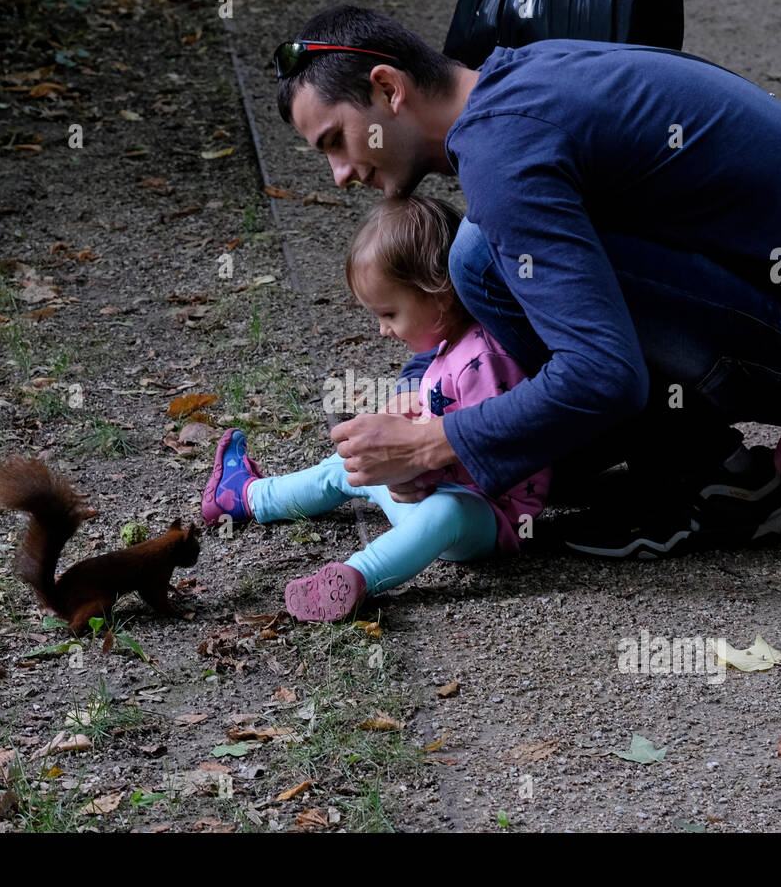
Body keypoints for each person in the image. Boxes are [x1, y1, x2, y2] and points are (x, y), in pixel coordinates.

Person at [273, 6, 781, 559]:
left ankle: (719, 486)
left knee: (480, 258)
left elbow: (604, 375)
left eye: (335, 141)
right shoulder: (524, 75)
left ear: (389, 90)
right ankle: (678, 463)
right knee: (496, 278)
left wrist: (433, 442)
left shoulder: (503, 154)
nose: (339, 174)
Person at [202, 195, 550, 620]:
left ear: (439, 295)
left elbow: (493, 448)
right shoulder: (448, 345)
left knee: (447, 513)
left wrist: (414, 467)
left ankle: (353, 578)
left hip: (485, 517)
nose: (383, 330)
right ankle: (247, 496)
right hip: (426, 490)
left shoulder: (485, 358)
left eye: (389, 313)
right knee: (348, 468)